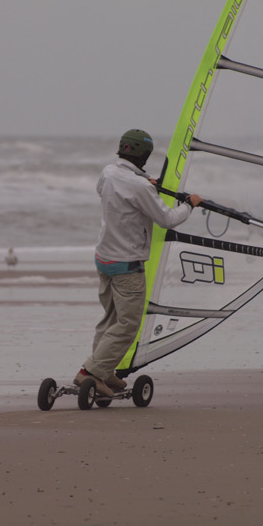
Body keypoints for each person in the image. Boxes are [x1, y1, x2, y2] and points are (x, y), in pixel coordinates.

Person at [75, 129, 202, 397]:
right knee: (127, 326)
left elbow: (109, 189)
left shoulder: (109, 173)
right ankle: (91, 372)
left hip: (103, 259)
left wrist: (147, 183)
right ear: (145, 155)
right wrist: (190, 205)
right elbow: (167, 219)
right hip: (127, 265)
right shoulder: (140, 186)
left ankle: (105, 371)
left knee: (110, 319)